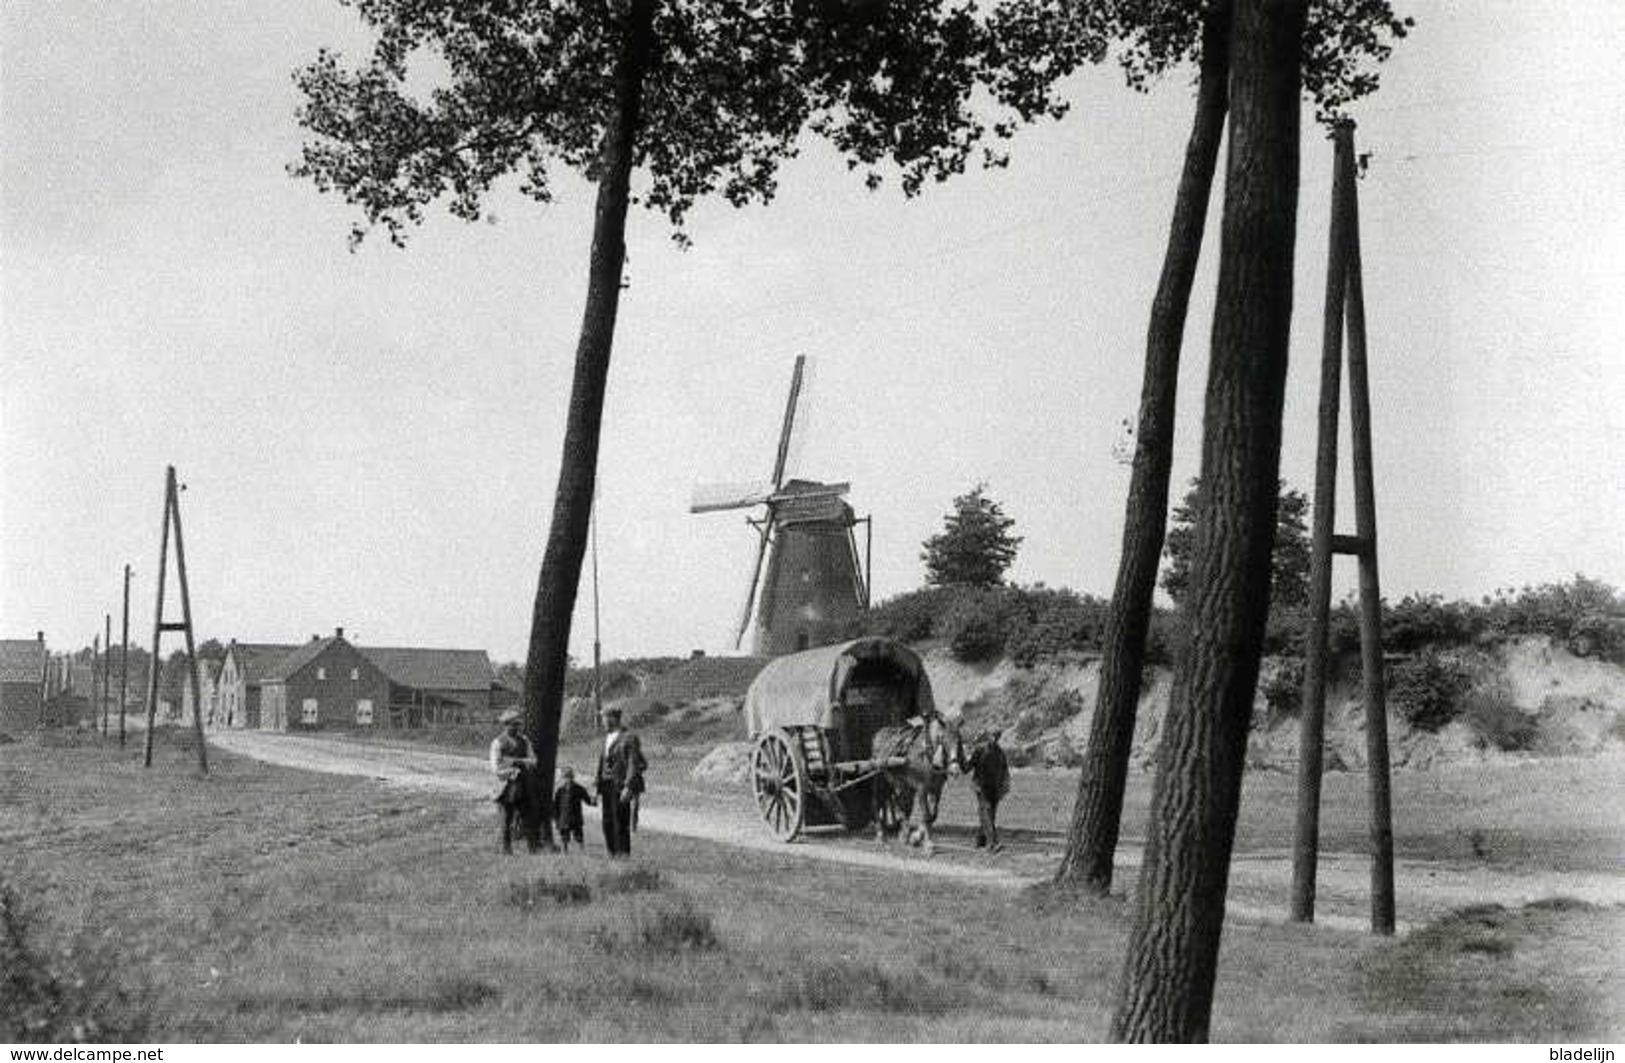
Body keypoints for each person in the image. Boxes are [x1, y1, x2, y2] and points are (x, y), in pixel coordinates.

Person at [489, 708, 554, 854]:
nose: (515, 727)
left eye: (517, 724)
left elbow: (533, 760)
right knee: (506, 818)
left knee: (529, 816)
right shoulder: (498, 743)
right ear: (505, 725)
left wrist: (514, 761)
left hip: (524, 784)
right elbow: (496, 767)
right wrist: (514, 768)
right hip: (506, 786)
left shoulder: (524, 740)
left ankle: (532, 848)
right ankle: (506, 849)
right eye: (512, 724)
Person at [594, 707, 646, 857]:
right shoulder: (606, 737)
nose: (602, 721)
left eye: (604, 717)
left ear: (613, 718)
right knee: (607, 821)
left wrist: (628, 786)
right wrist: (596, 785)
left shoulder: (629, 737)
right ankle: (611, 853)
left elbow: (633, 763)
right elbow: (601, 762)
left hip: (620, 784)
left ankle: (623, 855)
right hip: (605, 784)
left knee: (620, 822)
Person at [963, 729, 1010, 852]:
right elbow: (968, 767)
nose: (994, 737)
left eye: (997, 735)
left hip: (995, 788)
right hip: (981, 787)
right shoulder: (979, 750)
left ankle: (980, 840)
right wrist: (958, 763)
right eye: (992, 735)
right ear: (988, 736)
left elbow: (1005, 771)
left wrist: (1005, 786)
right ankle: (993, 843)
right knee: (987, 812)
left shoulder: (1000, 753)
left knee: (989, 814)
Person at [552, 766, 596, 853]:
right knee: (564, 837)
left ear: (573, 777)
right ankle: (565, 852)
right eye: (566, 777)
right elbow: (555, 806)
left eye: (570, 777)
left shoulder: (579, 789)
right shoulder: (560, 791)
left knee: (579, 836)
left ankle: (582, 850)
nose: (568, 779)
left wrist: (593, 801)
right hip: (563, 818)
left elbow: (587, 799)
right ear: (563, 778)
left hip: (576, 818)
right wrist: (556, 818)